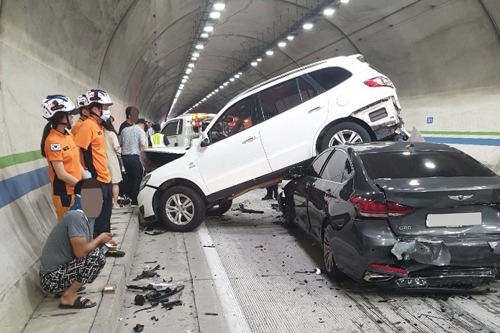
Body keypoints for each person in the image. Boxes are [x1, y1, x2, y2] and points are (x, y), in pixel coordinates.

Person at [39, 178, 116, 309]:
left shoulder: (81, 217)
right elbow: (81, 253)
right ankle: (68, 296)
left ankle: (66, 290)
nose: (102, 201)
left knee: (96, 253)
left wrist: (102, 243)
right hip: (51, 279)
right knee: (96, 258)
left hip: (57, 275)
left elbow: (85, 247)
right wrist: (100, 239)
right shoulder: (76, 217)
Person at [73, 89, 117, 246]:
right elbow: (76, 151)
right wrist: (85, 175)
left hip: (105, 179)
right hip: (95, 180)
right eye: (105, 107)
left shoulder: (99, 127)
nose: (107, 111)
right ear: (95, 109)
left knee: (105, 217)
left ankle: (106, 248)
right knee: (95, 219)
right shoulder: (87, 127)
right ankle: (95, 251)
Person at [40, 94, 87, 221]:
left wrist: (85, 180)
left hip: (75, 190)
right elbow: (61, 174)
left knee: (79, 229)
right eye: (70, 114)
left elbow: (76, 161)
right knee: (68, 231)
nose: (72, 116)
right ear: (61, 117)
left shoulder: (68, 135)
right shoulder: (53, 142)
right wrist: (81, 185)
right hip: (64, 195)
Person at [120, 117, 148, 206]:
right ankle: (135, 201)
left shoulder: (124, 130)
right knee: (137, 179)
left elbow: (120, 143)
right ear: (142, 125)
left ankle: (131, 196)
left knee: (130, 178)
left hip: (124, 157)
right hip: (135, 157)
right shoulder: (141, 131)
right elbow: (143, 144)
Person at [102, 116, 123, 208]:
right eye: (112, 122)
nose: (113, 123)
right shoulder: (111, 134)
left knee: (105, 183)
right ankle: (115, 203)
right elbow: (115, 147)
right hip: (112, 160)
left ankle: (107, 203)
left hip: (102, 161)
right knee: (115, 182)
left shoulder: (99, 133)